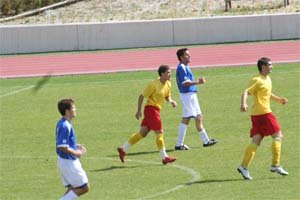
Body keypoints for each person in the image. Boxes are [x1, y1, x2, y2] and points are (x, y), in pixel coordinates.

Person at [237, 57, 289, 180]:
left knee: (256, 140)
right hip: (264, 114)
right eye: (270, 65)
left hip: (257, 115)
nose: (272, 67)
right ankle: (275, 165)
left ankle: (243, 166)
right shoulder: (257, 79)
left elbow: (267, 93)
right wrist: (243, 103)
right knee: (278, 136)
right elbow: (245, 92)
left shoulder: (267, 79)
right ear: (263, 67)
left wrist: (278, 99)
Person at [117, 65, 177, 165]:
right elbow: (141, 96)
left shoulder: (168, 84)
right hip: (151, 110)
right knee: (159, 133)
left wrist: (171, 101)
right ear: (162, 74)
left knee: (142, 133)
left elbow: (167, 95)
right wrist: (138, 110)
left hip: (156, 110)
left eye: (170, 72)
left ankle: (123, 149)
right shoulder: (153, 84)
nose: (170, 74)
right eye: (168, 72)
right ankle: (164, 157)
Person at [174, 48, 217, 150]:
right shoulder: (181, 68)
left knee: (198, 117)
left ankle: (206, 141)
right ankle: (179, 144)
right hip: (187, 95)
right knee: (187, 118)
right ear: (181, 57)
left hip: (191, 95)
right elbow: (184, 83)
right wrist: (198, 82)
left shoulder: (185, 67)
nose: (189, 56)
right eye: (187, 55)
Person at [56, 98, 89, 199]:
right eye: (73, 108)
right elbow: (62, 146)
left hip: (65, 161)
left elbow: (63, 142)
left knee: (72, 189)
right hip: (69, 162)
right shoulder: (65, 126)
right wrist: (76, 152)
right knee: (84, 187)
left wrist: (75, 145)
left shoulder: (63, 123)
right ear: (67, 111)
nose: (75, 109)